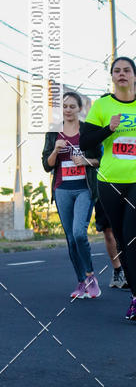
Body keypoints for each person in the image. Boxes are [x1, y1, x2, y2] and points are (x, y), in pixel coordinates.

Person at [81, 57, 136, 321]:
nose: (122, 74)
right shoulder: (103, 105)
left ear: (134, 76)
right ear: (112, 77)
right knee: (123, 241)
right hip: (110, 182)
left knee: (132, 234)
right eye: (117, 71)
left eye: (127, 70)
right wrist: (108, 128)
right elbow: (85, 141)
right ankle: (135, 296)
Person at [42, 91, 102, 299]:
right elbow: (46, 166)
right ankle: (81, 282)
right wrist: (55, 151)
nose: (68, 110)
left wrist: (85, 161)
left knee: (79, 233)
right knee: (70, 238)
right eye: (65, 106)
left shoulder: (87, 131)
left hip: (84, 188)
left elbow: (99, 160)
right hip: (62, 190)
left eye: (72, 106)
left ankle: (91, 277)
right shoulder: (53, 134)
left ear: (79, 109)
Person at [94, 200, 128, 289]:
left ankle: (129, 271)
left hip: (127, 190)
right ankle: (117, 271)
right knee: (108, 231)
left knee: (127, 230)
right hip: (104, 192)